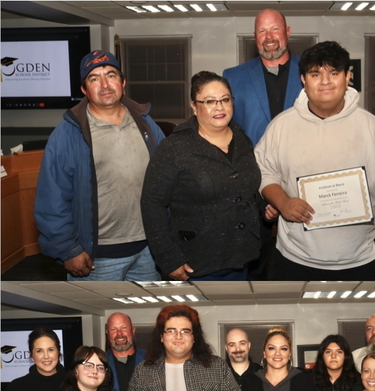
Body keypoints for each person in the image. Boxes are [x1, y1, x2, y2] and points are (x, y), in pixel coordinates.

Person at [255, 41, 375, 280]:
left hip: (361, 257)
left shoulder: (370, 126)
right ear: (303, 79)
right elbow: (265, 172)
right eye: (315, 74)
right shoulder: (282, 125)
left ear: (347, 77)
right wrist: (283, 202)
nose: (325, 81)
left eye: (334, 73)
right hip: (295, 257)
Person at [35, 50, 165, 281]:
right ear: (84, 90)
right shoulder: (68, 133)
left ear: (123, 82)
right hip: (97, 258)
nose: (105, 84)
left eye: (111, 75)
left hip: (149, 251)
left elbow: (167, 178)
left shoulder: (145, 123)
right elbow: (52, 199)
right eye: (94, 78)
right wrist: (68, 250)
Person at [140, 71, 262, 281]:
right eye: (209, 101)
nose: (219, 107)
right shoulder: (175, 147)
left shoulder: (242, 138)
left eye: (225, 100)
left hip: (242, 257)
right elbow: (152, 203)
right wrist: (168, 257)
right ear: (194, 107)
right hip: (196, 265)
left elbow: (245, 188)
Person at [223, 8, 302, 279]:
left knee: (298, 271)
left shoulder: (312, 73)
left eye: (275, 29)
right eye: (261, 31)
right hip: (252, 189)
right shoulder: (232, 77)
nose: (269, 37)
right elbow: (229, 135)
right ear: (254, 37)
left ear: (288, 32)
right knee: (254, 270)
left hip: (302, 186)